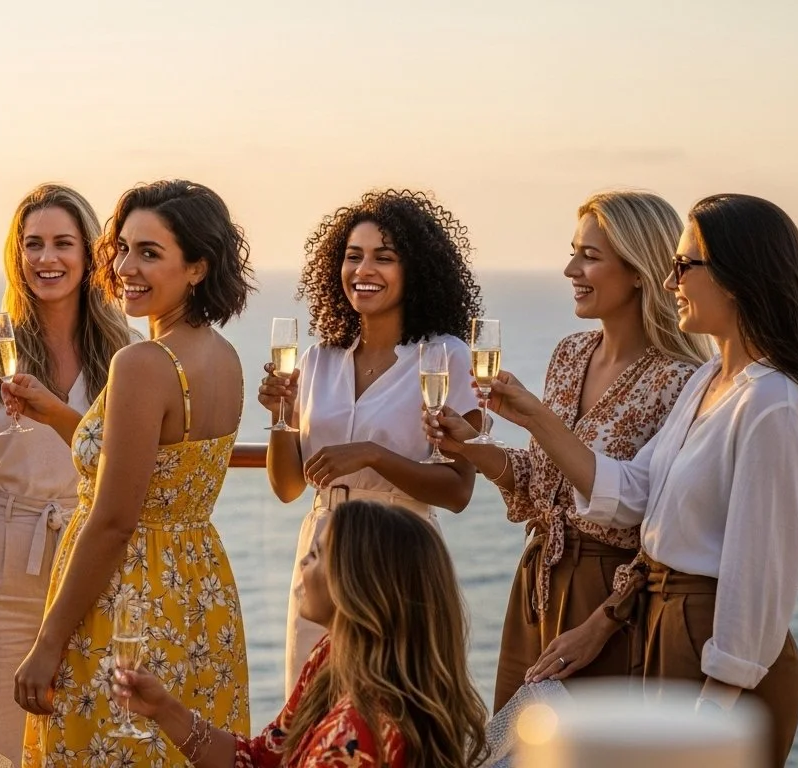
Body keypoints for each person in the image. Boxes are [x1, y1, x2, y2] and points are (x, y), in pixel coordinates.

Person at [478, 194, 798, 767]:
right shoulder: (708, 383)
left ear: (734, 277)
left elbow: (758, 577)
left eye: (684, 266)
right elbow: (630, 497)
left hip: (722, 658)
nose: (671, 279)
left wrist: (713, 708)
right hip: (666, 630)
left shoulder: (772, 404)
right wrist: (531, 415)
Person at [422, 191, 709, 710]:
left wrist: (605, 621)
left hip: (612, 600)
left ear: (640, 270)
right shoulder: (570, 354)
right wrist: (469, 448)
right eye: (574, 251)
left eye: (590, 256)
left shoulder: (678, 381)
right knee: (514, 745)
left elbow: (664, 526)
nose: (569, 268)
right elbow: (537, 480)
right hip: (537, 585)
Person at [7, 180, 255, 766]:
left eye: (150, 253)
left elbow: (115, 519)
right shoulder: (223, 357)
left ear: (197, 267)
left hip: (127, 604)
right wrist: (62, 416)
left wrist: (47, 644)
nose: (125, 267)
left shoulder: (143, 362)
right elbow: (156, 472)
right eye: (122, 248)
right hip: (200, 593)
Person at [0, 184, 131, 759]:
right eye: (33, 244)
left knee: (82, 746)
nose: (47, 259)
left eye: (63, 243)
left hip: (85, 563)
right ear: (16, 257)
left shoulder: (125, 351)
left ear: (90, 254)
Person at [258, 189, 483, 694]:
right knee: (312, 706)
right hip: (322, 555)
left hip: (398, 557)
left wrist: (373, 455)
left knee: (394, 706)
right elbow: (289, 487)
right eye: (354, 256)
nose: (364, 269)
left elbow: (457, 490)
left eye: (385, 257)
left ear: (417, 270)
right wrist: (279, 416)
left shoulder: (447, 356)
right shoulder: (319, 358)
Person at [112, 500, 489, 768]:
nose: (304, 562)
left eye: (319, 554)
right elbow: (261, 758)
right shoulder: (333, 659)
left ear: (359, 584)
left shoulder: (355, 739)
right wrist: (164, 709)